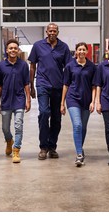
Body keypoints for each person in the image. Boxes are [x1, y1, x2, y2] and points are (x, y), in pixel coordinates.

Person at [28, 22, 72, 160]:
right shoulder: (38, 46)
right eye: (50, 31)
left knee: (56, 118)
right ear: (46, 32)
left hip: (58, 86)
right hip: (42, 84)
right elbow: (33, 67)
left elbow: (69, 69)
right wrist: (31, 86)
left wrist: (68, 87)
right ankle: (43, 147)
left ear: (57, 32)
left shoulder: (63, 47)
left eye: (54, 31)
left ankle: (52, 147)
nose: (52, 33)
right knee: (44, 113)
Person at [60, 42, 96, 167]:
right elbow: (65, 85)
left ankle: (80, 147)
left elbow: (94, 86)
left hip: (86, 100)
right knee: (77, 125)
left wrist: (93, 101)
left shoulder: (92, 67)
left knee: (83, 127)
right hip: (72, 99)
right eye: (79, 49)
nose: (81, 52)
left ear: (87, 52)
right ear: (76, 51)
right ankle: (79, 154)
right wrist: (62, 103)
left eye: (83, 50)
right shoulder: (70, 66)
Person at [0, 39, 31, 163]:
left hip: (19, 100)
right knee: (5, 128)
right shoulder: (1, 66)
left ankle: (16, 150)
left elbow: (26, 83)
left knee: (18, 126)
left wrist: (28, 100)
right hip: (5, 100)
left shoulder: (23, 65)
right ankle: (9, 140)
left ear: (18, 50)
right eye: (10, 48)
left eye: (15, 48)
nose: (13, 50)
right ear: (7, 50)